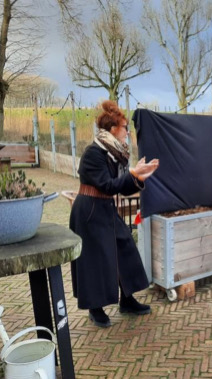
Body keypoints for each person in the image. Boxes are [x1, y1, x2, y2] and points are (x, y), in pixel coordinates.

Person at [70, 100, 159, 328]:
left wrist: (138, 178)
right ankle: (95, 308)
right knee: (94, 261)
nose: (128, 133)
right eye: (124, 128)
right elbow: (108, 185)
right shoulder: (94, 153)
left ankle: (126, 300)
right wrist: (132, 174)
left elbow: (121, 186)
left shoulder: (115, 154)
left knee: (125, 248)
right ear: (112, 130)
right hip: (89, 212)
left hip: (106, 208)